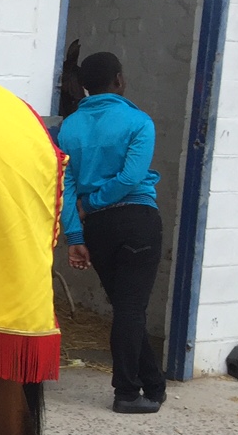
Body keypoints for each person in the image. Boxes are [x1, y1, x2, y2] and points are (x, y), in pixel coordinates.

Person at [60, 50, 166, 414]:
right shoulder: (139, 122)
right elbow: (132, 177)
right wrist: (95, 204)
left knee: (126, 307)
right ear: (119, 80)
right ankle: (126, 391)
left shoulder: (70, 127)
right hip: (137, 219)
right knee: (131, 307)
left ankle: (153, 384)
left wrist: (75, 236)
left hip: (99, 230)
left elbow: (67, 187)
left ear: (83, 86)